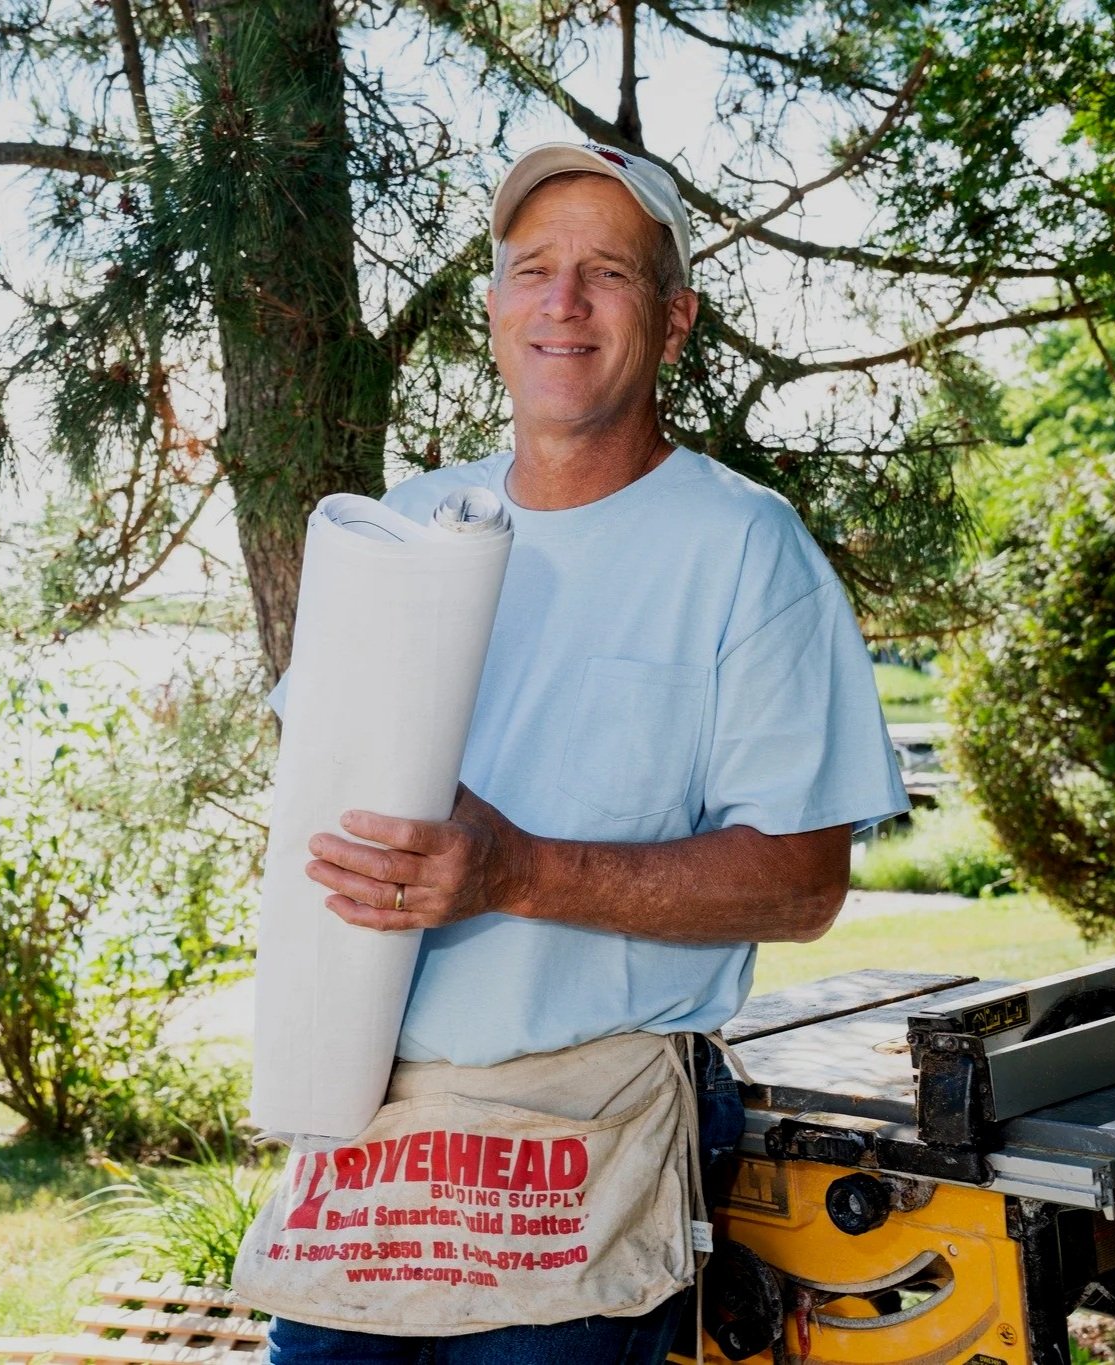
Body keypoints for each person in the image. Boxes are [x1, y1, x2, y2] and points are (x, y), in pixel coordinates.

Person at [267, 141, 908, 1365]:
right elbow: (317, 793)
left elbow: (802, 883)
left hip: (588, 1127)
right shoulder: (406, 527)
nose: (562, 303)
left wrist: (514, 873)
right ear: (496, 309)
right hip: (372, 1130)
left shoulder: (742, 549)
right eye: (532, 270)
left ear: (673, 323)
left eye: (607, 273)